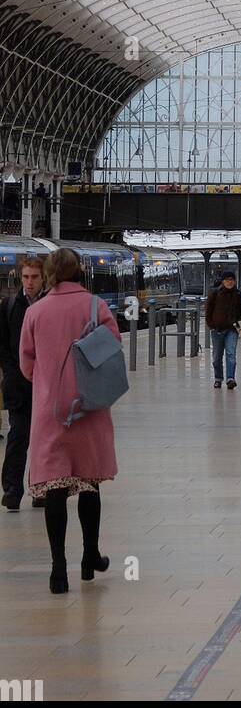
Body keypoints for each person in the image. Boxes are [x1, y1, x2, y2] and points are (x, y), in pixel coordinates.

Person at [18, 248, 121, 594]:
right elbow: (113, 348)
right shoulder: (96, 307)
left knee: (55, 488)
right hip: (90, 407)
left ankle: (57, 568)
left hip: (51, 411)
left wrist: (49, 382)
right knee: (89, 483)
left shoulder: (36, 312)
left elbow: (26, 364)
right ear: (79, 271)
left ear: (49, 274)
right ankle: (90, 557)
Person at [0, 256, 46, 511]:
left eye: (34, 277)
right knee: (18, 437)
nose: (29, 282)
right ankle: (12, 490)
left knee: (42, 440)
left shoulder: (50, 306)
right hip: (18, 385)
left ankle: (40, 488)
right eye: (26, 277)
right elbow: (3, 345)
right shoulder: (9, 306)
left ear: (43, 278)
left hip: (45, 385)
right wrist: (11, 370)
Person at [206, 269, 241, 390]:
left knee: (230, 354)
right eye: (227, 280)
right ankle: (218, 378)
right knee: (217, 357)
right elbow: (208, 311)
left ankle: (230, 378)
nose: (230, 282)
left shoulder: (238, 294)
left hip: (232, 329)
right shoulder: (214, 293)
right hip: (217, 329)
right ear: (223, 281)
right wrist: (211, 326)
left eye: (232, 280)